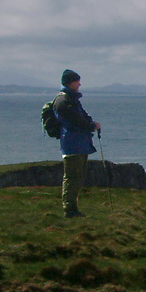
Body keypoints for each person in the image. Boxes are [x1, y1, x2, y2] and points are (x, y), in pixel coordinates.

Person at [53, 69, 101, 218]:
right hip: (72, 144)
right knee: (73, 177)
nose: (79, 84)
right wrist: (91, 126)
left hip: (78, 143)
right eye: (77, 81)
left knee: (77, 177)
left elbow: (82, 118)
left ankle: (72, 208)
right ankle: (70, 209)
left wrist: (90, 123)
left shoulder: (71, 99)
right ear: (70, 82)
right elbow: (76, 121)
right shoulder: (64, 101)